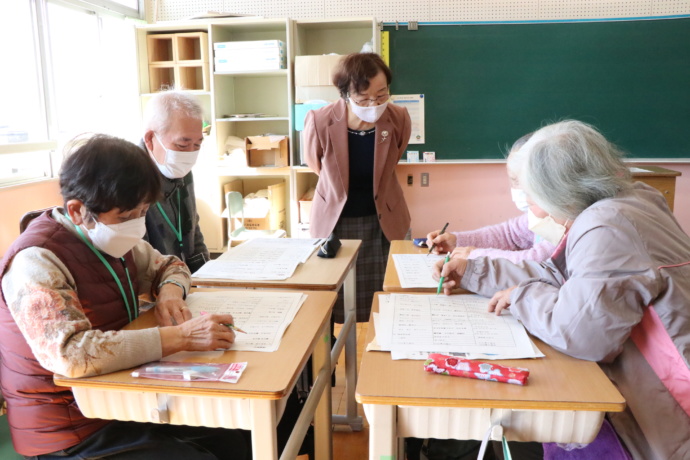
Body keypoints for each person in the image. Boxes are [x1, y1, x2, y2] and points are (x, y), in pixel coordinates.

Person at [434, 120, 690, 460]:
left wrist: (520, 296)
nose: (529, 207)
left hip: (662, 416)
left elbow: (581, 333)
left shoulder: (606, 226)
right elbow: (559, 274)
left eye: (531, 195)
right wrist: (473, 271)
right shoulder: (632, 199)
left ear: (560, 191)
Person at [0, 135, 250, 459]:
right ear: (77, 210)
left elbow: (171, 266)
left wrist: (170, 294)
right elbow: (71, 355)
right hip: (68, 429)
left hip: (122, 399)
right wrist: (180, 337)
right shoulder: (35, 261)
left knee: (237, 435)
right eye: (126, 215)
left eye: (143, 211)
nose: (137, 225)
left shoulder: (112, 239)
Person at [303, 52, 412, 323]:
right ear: (345, 93)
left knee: (387, 301)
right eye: (363, 97)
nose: (374, 103)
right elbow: (315, 165)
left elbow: (392, 160)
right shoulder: (319, 120)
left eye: (382, 94)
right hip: (336, 221)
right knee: (332, 300)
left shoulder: (398, 117)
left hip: (384, 221)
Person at [426, 133, 557, 263]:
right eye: (512, 180)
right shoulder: (538, 213)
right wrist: (457, 241)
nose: (516, 189)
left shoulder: (564, 219)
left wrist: (474, 255)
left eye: (517, 180)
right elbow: (509, 235)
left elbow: (538, 262)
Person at [141, 90, 210, 276]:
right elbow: (138, 257)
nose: (189, 153)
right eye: (182, 145)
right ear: (150, 139)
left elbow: (193, 230)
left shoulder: (180, 168)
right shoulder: (130, 178)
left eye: (197, 144)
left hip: (184, 281)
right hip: (156, 286)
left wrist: (208, 275)